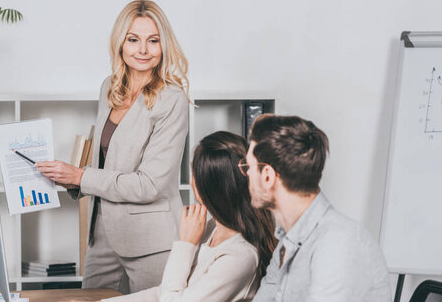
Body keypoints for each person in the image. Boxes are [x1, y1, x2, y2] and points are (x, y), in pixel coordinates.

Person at [35, 0, 190, 293]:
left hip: (151, 242)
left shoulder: (172, 99)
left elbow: (149, 185)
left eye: (153, 41)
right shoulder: (109, 87)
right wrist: (65, 178)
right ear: (120, 43)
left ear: (164, 45)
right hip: (102, 235)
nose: (142, 50)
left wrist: (80, 176)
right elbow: (107, 162)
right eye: (133, 40)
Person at [104, 131, 277, 302]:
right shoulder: (211, 229)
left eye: (194, 173)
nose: (191, 180)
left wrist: (185, 245)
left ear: (207, 188)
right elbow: (166, 292)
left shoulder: (240, 256)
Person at [241, 114, 392, 302]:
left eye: (248, 165)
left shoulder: (337, 244)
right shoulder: (288, 240)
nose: (246, 173)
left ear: (267, 176)